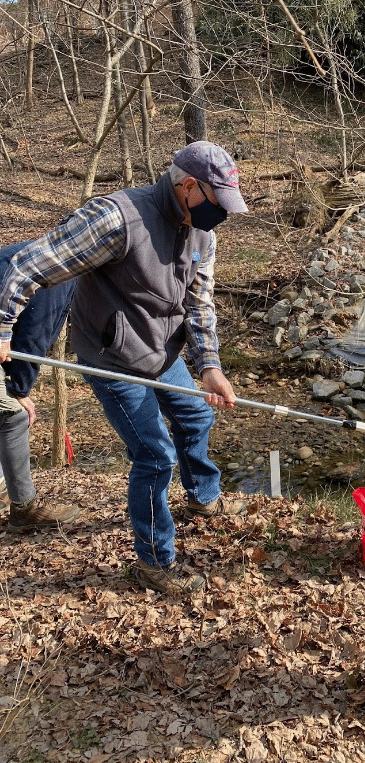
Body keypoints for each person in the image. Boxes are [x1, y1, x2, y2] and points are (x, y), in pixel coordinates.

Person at [0, 141, 248, 596]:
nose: (222, 216)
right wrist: (2, 328)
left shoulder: (203, 233)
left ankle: (202, 498)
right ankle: (153, 561)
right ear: (188, 186)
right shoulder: (115, 218)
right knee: (154, 455)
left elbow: (199, 304)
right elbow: (28, 266)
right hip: (113, 357)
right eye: (218, 203)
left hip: (163, 350)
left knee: (196, 414)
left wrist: (209, 365)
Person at [0, 242, 77, 528]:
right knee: (12, 415)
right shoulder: (60, 272)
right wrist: (19, 389)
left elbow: (12, 336)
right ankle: (24, 507)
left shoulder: (46, 251)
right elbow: (32, 338)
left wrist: (12, 380)